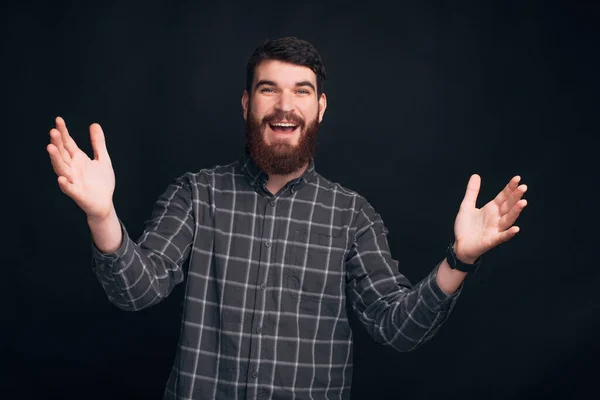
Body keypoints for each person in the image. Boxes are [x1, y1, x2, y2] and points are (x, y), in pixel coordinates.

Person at [46, 37, 528, 400]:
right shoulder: (197, 194)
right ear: (246, 103)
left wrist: (459, 260)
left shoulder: (352, 216)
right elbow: (138, 290)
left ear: (319, 108)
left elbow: (396, 327)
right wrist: (103, 214)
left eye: (301, 91)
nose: (284, 105)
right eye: (268, 89)